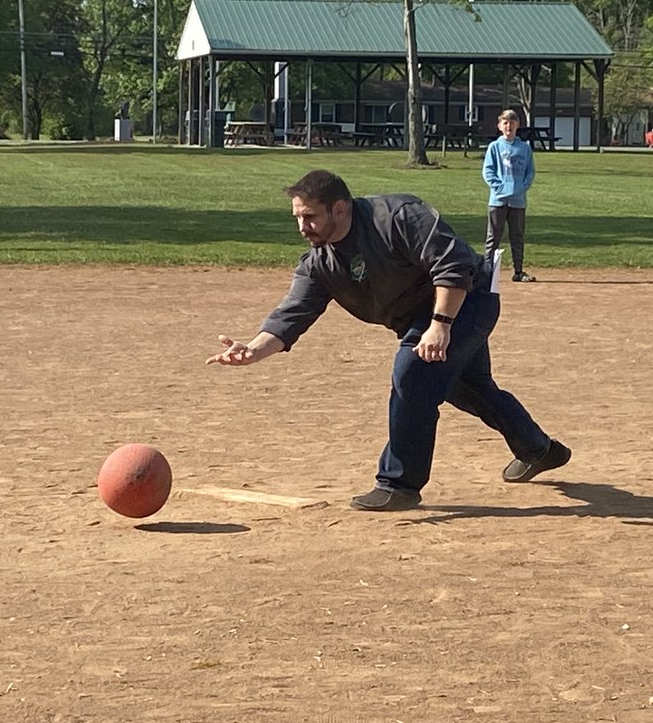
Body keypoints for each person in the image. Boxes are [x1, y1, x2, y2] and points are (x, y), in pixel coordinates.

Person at [205, 169, 569, 511]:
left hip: (467, 299)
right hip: (420, 318)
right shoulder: (321, 262)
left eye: (310, 217)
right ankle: (538, 449)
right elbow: (292, 314)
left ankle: (399, 484)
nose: (303, 226)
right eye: (298, 218)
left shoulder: (397, 216)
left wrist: (441, 325)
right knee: (467, 387)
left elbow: (454, 266)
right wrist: (253, 349)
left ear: (340, 208)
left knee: (412, 373)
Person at [483, 108, 537, 282]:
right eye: (505, 123)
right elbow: (488, 172)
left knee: (517, 236)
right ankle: (487, 271)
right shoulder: (495, 147)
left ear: (517, 126)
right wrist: (500, 189)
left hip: (518, 201)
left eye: (512, 123)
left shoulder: (524, 148)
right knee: (493, 237)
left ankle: (518, 271)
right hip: (498, 200)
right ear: (499, 126)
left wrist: (521, 188)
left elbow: (530, 172)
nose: (509, 126)